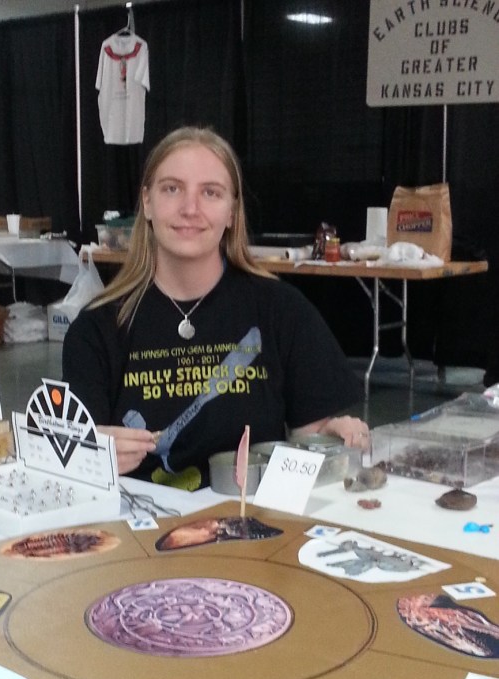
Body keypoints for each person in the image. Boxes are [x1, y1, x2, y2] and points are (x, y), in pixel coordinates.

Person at [63, 126, 369, 490]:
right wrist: (88, 457)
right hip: (139, 529)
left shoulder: (282, 312)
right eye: (172, 188)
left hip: (255, 529)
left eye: (210, 192)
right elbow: (71, 463)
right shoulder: (96, 330)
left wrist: (333, 435)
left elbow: (310, 439)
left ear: (232, 212)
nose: (190, 209)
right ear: (147, 202)